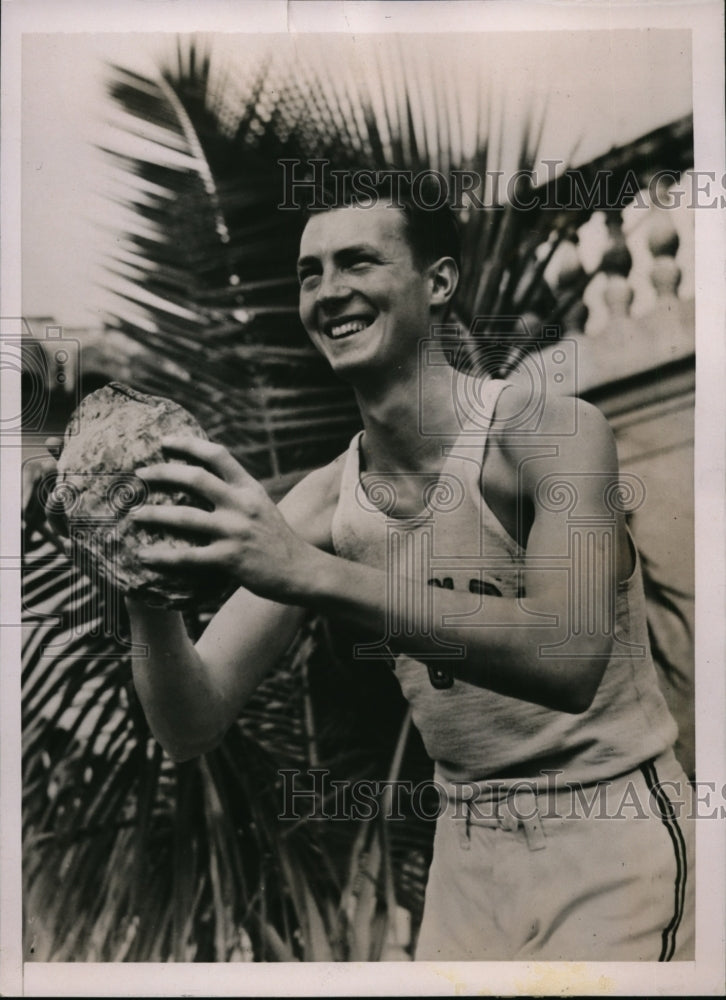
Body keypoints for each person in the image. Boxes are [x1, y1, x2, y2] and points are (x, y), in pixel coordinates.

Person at [51, 181, 694, 962]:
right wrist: (136, 570)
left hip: (611, 832)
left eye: (358, 261)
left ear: (441, 282)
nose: (329, 292)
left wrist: (307, 573)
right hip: (469, 852)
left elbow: (568, 657)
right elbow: (190, 723)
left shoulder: (550, 432)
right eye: (309, 273)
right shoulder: (327, 502)